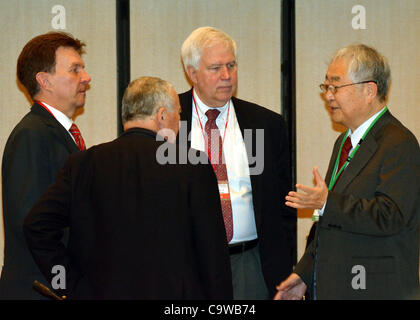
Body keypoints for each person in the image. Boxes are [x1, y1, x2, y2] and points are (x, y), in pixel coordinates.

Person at [23, 76, 233, 300]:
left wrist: (68, 285)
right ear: (162, 116)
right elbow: (213, 258)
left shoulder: (83, 165)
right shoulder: (192, 165)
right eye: (178, 114)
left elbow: (36, 226)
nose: (179, 122)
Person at [274, 44, 420, 300]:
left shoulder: (399, 143)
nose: (328, 96)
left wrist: (327, 202)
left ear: (369, 90)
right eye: (326, 87)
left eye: (336, 86)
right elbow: (328, 224)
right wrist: (304, 275)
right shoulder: (343, 143)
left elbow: (390, 216)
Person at [179, 26, 296, 299]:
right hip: (190, 266)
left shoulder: (266, 124)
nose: (227, 75)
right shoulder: (169, 123)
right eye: (215, 67)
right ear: (191, 73)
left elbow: (283, 204)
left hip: (250, 264)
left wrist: (283, 262)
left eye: (231, 65)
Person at [0, 32, 91, 299]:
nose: (86, 77)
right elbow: (32, 223)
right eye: (75, 69)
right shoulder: (32, 134)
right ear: (44, 80)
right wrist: (68, 283)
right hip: (41, 290)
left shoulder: (56, 132)